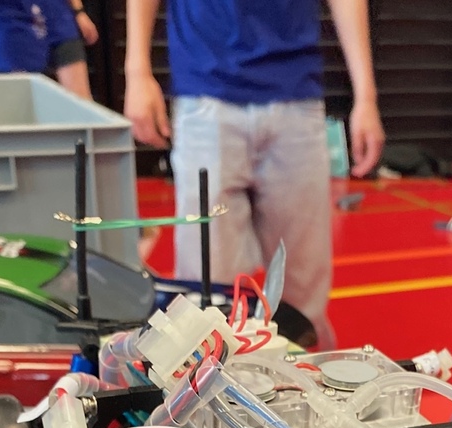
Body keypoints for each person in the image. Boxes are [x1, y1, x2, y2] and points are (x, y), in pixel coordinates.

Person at [122, 0, 385, 349]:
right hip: (206, 95)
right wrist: (137, 71)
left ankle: (301, 380)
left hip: (295, 96)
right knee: (205, 300)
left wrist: (366, 97)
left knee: (303, 301)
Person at [0, 0, 98, 99]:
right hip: (8, 21)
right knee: (19, 105)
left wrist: (78, 11)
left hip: (57, 14)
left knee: (81, 103)